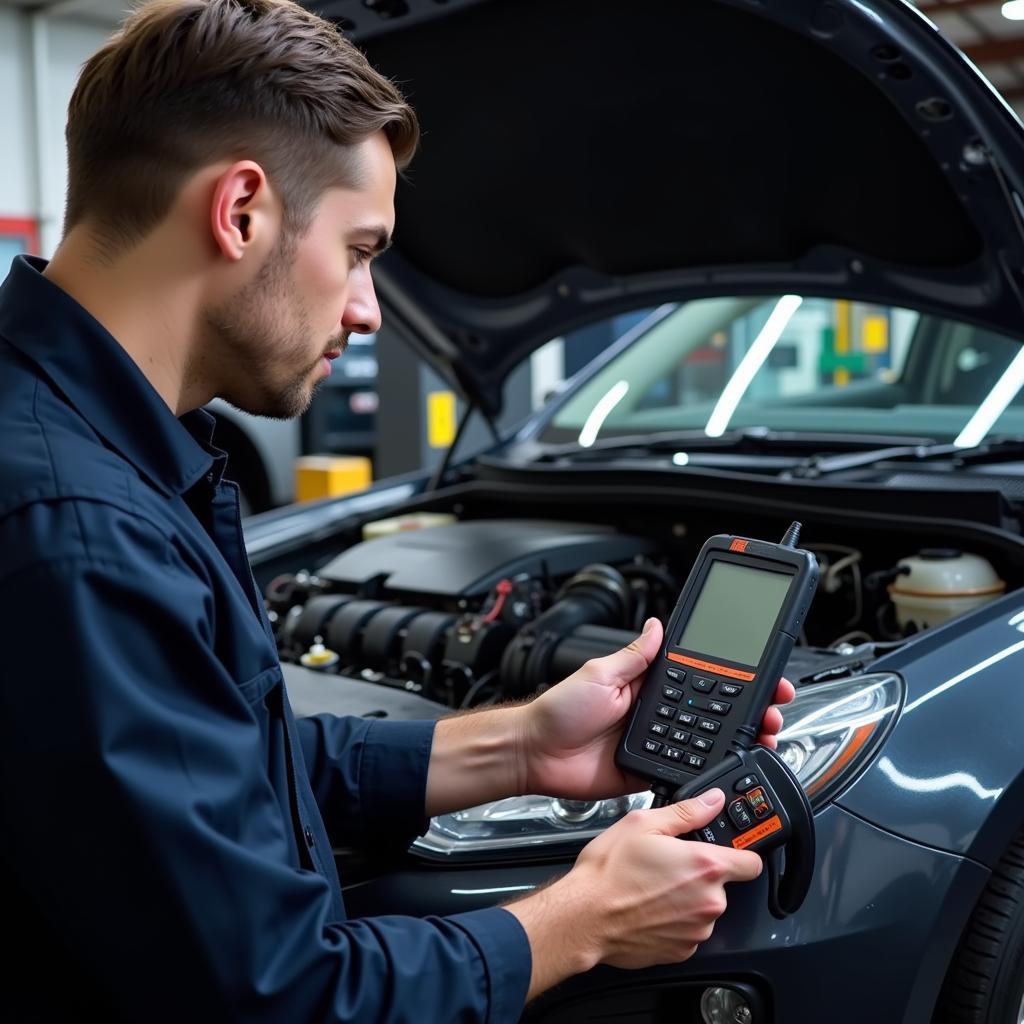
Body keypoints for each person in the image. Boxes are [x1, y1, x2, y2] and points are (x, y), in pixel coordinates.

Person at [0, 0, 795, 1020]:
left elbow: (221, 769)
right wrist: (582, 915)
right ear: (241, 210)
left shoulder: (91, 449)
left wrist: (520, 750)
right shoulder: (78, 530)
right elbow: (280, 996)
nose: (370, 308)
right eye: (362, 248)